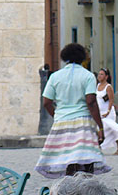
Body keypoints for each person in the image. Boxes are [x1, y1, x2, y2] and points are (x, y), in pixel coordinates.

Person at [35, 43, 111, 179]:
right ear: (82, 58)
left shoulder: (55, 77)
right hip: (83, 123)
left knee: (67, 163)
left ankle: (68, 193)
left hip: (61, 122)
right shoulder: (87, 76)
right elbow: (91, 102)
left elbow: (46, 102)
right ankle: (85, 192)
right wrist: (100, 127)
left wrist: (57, 115)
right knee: (87, 162)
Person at [96, 68, 118, 155]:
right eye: (99, 74)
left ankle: (99, 147)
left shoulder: (108, 87)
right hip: (100, 112)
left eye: (102, 74)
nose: (99, 76)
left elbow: (111, 100)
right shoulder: (97, 86)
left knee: (109, 129)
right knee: (101, 129)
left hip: (108, 113)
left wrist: (108, 111)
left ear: (106, 77)